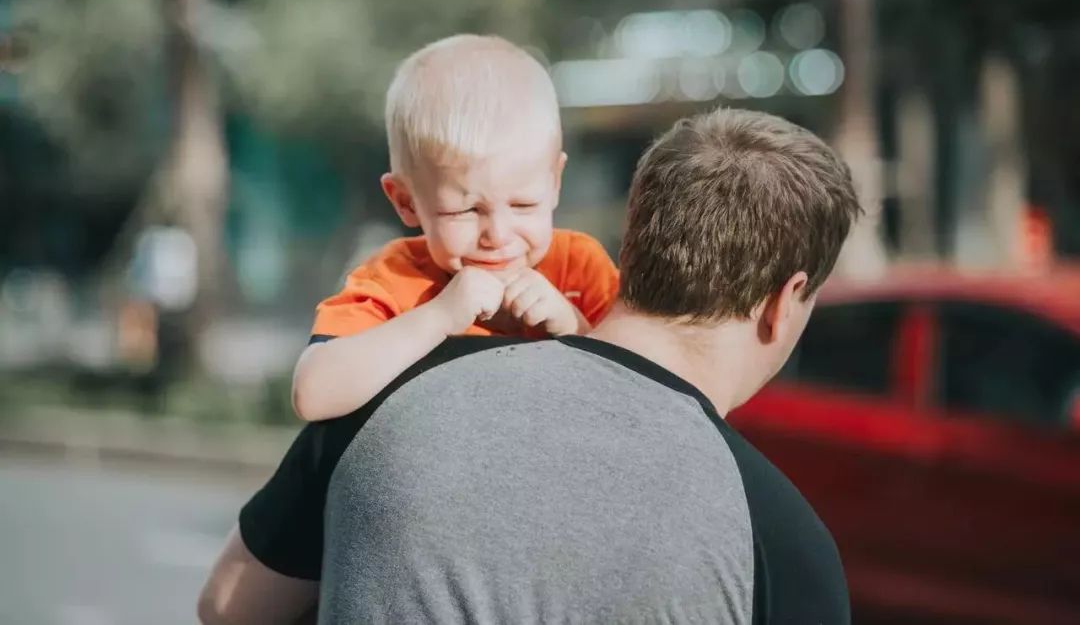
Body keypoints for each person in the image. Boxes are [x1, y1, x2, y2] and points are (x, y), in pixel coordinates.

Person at [199, 106, 862, 625]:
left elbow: (229, 606)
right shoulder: (783, 541)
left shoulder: (391, 396)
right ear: (783, 302)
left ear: (633, 247)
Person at [291, 34, 619, 422]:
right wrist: (439, 316)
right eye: (464, 210)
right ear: (405, 201)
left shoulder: (579, 267)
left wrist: (574, 327)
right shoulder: (393, 280)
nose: (497, 235)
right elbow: (313, 395)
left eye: (523, 204)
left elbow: (645, 394)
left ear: (555, 183)